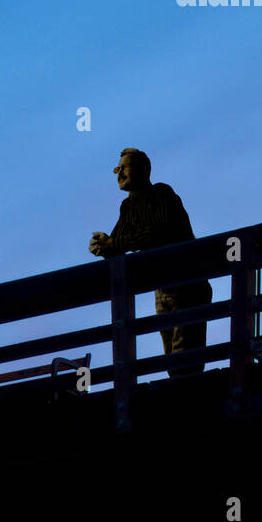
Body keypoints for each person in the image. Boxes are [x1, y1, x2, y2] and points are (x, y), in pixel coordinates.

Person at [88, 148, 212, 377]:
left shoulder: (161, 194)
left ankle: (192, 402)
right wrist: (103, 245)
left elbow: (155, 233)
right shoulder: (128, 207)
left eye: (124, 167)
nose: (119, 174)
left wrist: (114, 244)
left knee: (184, 361)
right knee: (173, 360)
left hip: (187, 283)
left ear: (143, 170)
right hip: (163, 288)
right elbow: (118, 244)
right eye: (117, 169)